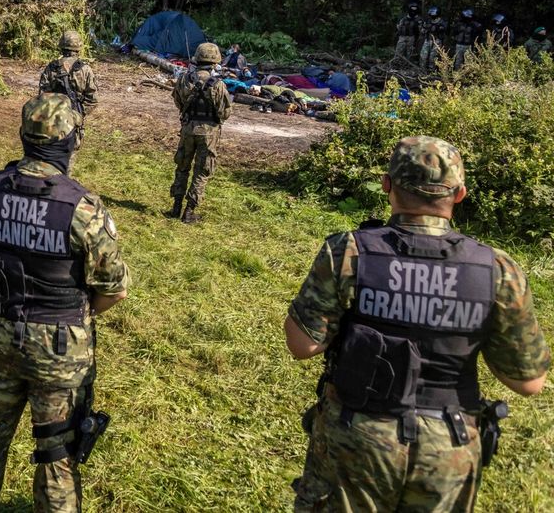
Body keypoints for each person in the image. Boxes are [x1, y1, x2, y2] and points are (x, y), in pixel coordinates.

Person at [286, 136, 549, 512]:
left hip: (357, 437)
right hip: (449, 445)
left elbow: (302, 344)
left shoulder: (350, 251)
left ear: (387, 185)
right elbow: (528, 380)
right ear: (460, 194)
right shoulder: (496, 270)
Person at [0, 93, 129, 512]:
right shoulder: (83, 209)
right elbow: (113, 288)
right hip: (61, 347)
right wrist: (76, 316)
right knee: (56, 453)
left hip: (0, 332)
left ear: (24, 136)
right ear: (71, 141)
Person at [168, 42, 232, 223]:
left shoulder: (184, 79)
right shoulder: (218, 85)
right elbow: (225, 113)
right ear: (215, 62)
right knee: (202, 171)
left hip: (188, 129)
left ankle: (176, 207)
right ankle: (189, 211)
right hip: (209, 132)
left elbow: (178, 102)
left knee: (182, 167)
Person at [38, 29, 98, 150]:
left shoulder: (52, 67)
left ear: (61, 46)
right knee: (68, 157)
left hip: (52, 123)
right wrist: (78, 115)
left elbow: (42, 96)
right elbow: (93, 100)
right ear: (78, 48)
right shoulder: (85, 69)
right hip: (73, 125)